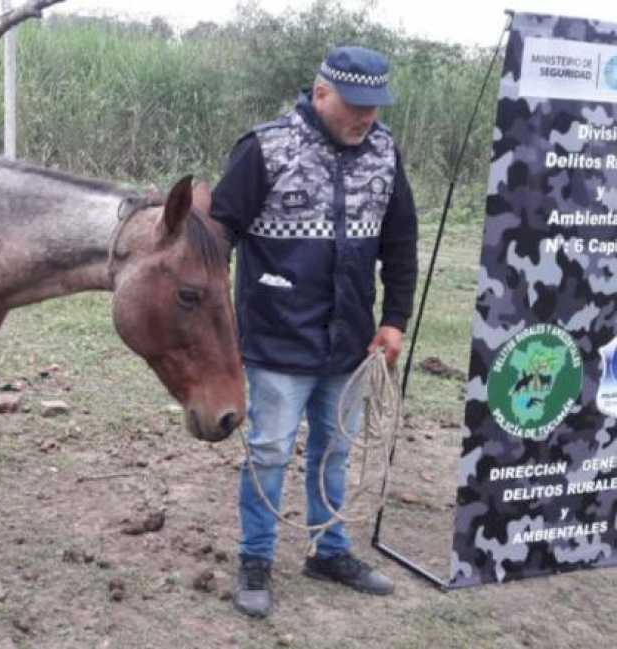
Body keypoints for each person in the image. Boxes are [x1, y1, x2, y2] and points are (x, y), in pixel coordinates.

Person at [210, 45, 418, 618]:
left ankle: (330, 551)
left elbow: (400, 242)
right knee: (270, 451)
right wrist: (217, 324)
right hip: (277, 340)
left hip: (351, 342)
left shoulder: (384, 151)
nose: (366, 118)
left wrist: (395, 320)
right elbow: (217, 237)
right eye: (355, 106)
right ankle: (256, 558)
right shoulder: (264, 148)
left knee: (336, 451)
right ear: (320, 92)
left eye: (374, 107)